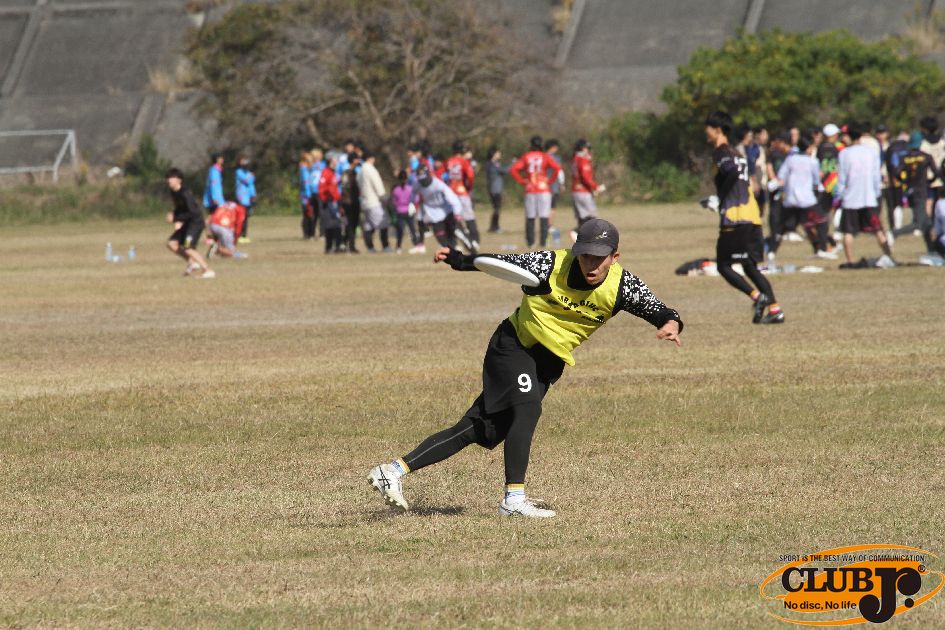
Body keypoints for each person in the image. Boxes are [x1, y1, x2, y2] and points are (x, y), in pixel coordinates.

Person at [367, 218, 683, 518]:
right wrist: (459, 259)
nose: (591, 264)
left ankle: (391, 471)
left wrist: (671, 325)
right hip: (514, 346)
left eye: (600, 258)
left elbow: (660, 310)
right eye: (585, 255)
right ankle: (514, 500)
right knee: (528, 408)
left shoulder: (623, 286)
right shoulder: (551, 264)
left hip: (549, 363)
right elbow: (503, 263)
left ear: (614, 257)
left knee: (480, 428)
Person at [701, 111, 783, 324]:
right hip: (752, 216)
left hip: (736, 217)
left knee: (723, 265)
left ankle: (757, 297)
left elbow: (731, 172)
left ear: (717, 130)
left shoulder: (721, 151)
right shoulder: (736, 152)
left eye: (708, 128)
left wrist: (720, 198)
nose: (705, 132)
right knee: (749, 265)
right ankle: (775, 310)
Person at [836, 122, 894, 268]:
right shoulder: (871, 152)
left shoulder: (844, 153)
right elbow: (876, 175)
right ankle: (888, 256)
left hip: (850, 198)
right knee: (877, 229)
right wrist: (876, 193)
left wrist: (840, 195)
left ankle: (850, 260)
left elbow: (842, 178)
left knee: (848, 231)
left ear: (849, 136)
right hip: (869, 197)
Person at [774, 137, 834, 259]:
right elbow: (816, 181)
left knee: (788, 227)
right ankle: (823, 249)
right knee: (821, 222)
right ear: (808, 148)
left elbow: (781, 176)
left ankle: (771, 251)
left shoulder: (790, 159)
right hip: (807, 199)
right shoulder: (812, 161)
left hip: (791, 199)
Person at [893, 131, 942, 254]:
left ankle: (932, 251)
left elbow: (897, 173)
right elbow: (937, 173)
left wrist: (905, 182)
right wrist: (930, 182)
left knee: (926, 223)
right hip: (922, 191)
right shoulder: (926, 156)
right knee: (919, 223)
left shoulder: (905, 158)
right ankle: (894, 233)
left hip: (910, 191)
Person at [509, 135, 562, 249]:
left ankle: (530, 242)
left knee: (530, 217)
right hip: (543, 189)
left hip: (530, 189)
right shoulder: (544, 156)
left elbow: (513, 169)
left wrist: (522, 181)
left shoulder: (526, 156)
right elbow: (557, 168)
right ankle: (543, 242)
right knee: (544, 217)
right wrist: (550, 181)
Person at [165, 168, 214, 279]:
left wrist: (175, 218)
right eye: (167, 178)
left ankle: (208, 270)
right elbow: (180, 208)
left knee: (188, 247)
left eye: (171, 177)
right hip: (188, 223)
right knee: (172, 243)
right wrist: (174, 214)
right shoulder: (173, 192)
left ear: (179, 180)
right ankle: (192, 262)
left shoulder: (185, 193)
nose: (168, 180)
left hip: (195, 223)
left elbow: (192, 212)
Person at [445, 140, 480, 253]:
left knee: (454, 219)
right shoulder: (464, 161)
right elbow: (470, 176)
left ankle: (456, 242)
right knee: (469, 217)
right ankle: (475, 240)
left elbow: (442, 175)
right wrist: (469, 187)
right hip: (462, 191)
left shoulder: (448, 161)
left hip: (451, 193)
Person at [570, 138, 605, 237]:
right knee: (591, 216)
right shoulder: (582, 160)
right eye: (587, 149)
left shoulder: (575, 158)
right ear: (583, 148)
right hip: (583, 191)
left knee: (583, 216)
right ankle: (576, 232)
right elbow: (586, 178)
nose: (589, 151)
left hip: (576, 191)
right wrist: (596, 187)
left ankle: (581, 237)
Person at [357, 151, 390, 252]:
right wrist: (383, 197)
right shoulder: (371, 169)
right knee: (383, 224)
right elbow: (378, 186)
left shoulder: (360, 170)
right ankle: (385, 246)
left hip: (364, 202)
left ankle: (370, 247)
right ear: (370, 158)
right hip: (374, 201)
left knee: (368, 226)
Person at [390, 169, 423, 254]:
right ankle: (416, 245)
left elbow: (394, 202)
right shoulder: (410, 189)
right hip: (409, 211)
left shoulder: (395, 190)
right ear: (406, 178)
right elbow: (416, 199)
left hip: (399, 212)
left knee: (400, 230)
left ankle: (398, 247)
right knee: (412, 229)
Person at [318, 155, 345, 254]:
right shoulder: (326, 172)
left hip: (335, 201)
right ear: (330, 162)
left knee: (337, 224)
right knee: (330, 225)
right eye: (334, 161)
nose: (336, 162)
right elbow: (322, 188)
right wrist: (326, 198)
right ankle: (329, 247)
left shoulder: (333, 172)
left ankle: (338, 246)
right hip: (329, 202)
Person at [341, 153, 362, 254]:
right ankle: (349, 245)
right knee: (350, 224)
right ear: (353, 160)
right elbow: (345, 188)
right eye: (357, 159)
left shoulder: (356, 172)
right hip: (349, 202)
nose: (359, 161)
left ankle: (349, 244)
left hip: (355, 201)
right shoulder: (346, 173)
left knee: (354, 224)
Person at [485, 146, 509, 233]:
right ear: (493, 154)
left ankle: (494, 226)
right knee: (497, 208)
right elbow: (504, 170)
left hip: (496, 189)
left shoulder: (495, 163)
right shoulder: (491, 164)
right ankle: (494, 227)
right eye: (498, 153)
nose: (499, 154)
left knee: (497, 208)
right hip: (494, 190)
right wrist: (513, 163)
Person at [234, 156, 256, 243]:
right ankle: (238, 235)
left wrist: (253, 195)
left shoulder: (248, 173)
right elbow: (247, 180)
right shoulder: (238, 172)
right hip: (241, 197)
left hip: (248, 198)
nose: (245, 163)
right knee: (240, 217)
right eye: (243, 161)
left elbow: (251, 184)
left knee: (246, 217)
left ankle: (244, 235)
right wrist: (251, 176)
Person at [299, 152, 315, 240]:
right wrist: (309, 195)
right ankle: (307, 234)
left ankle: (308, 233)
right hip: (306, 196)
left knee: (308, 214)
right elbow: (306, 184)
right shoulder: (304, 170)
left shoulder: (306, 169)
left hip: (306, 195)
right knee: (307, 214)